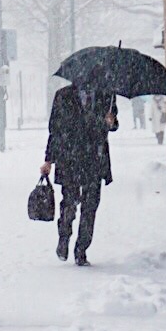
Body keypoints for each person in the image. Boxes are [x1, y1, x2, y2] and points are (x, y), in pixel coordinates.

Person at [42, 83, 118, 266]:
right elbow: (55, 130)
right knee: (69, 202)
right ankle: (64, 236)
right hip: (70, 158)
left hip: (95, 158)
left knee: (90, 206)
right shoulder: (63, 95)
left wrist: (111, 122)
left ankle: (81, 249)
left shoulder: (107, 95)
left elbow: (114, 124)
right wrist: (48, 160)